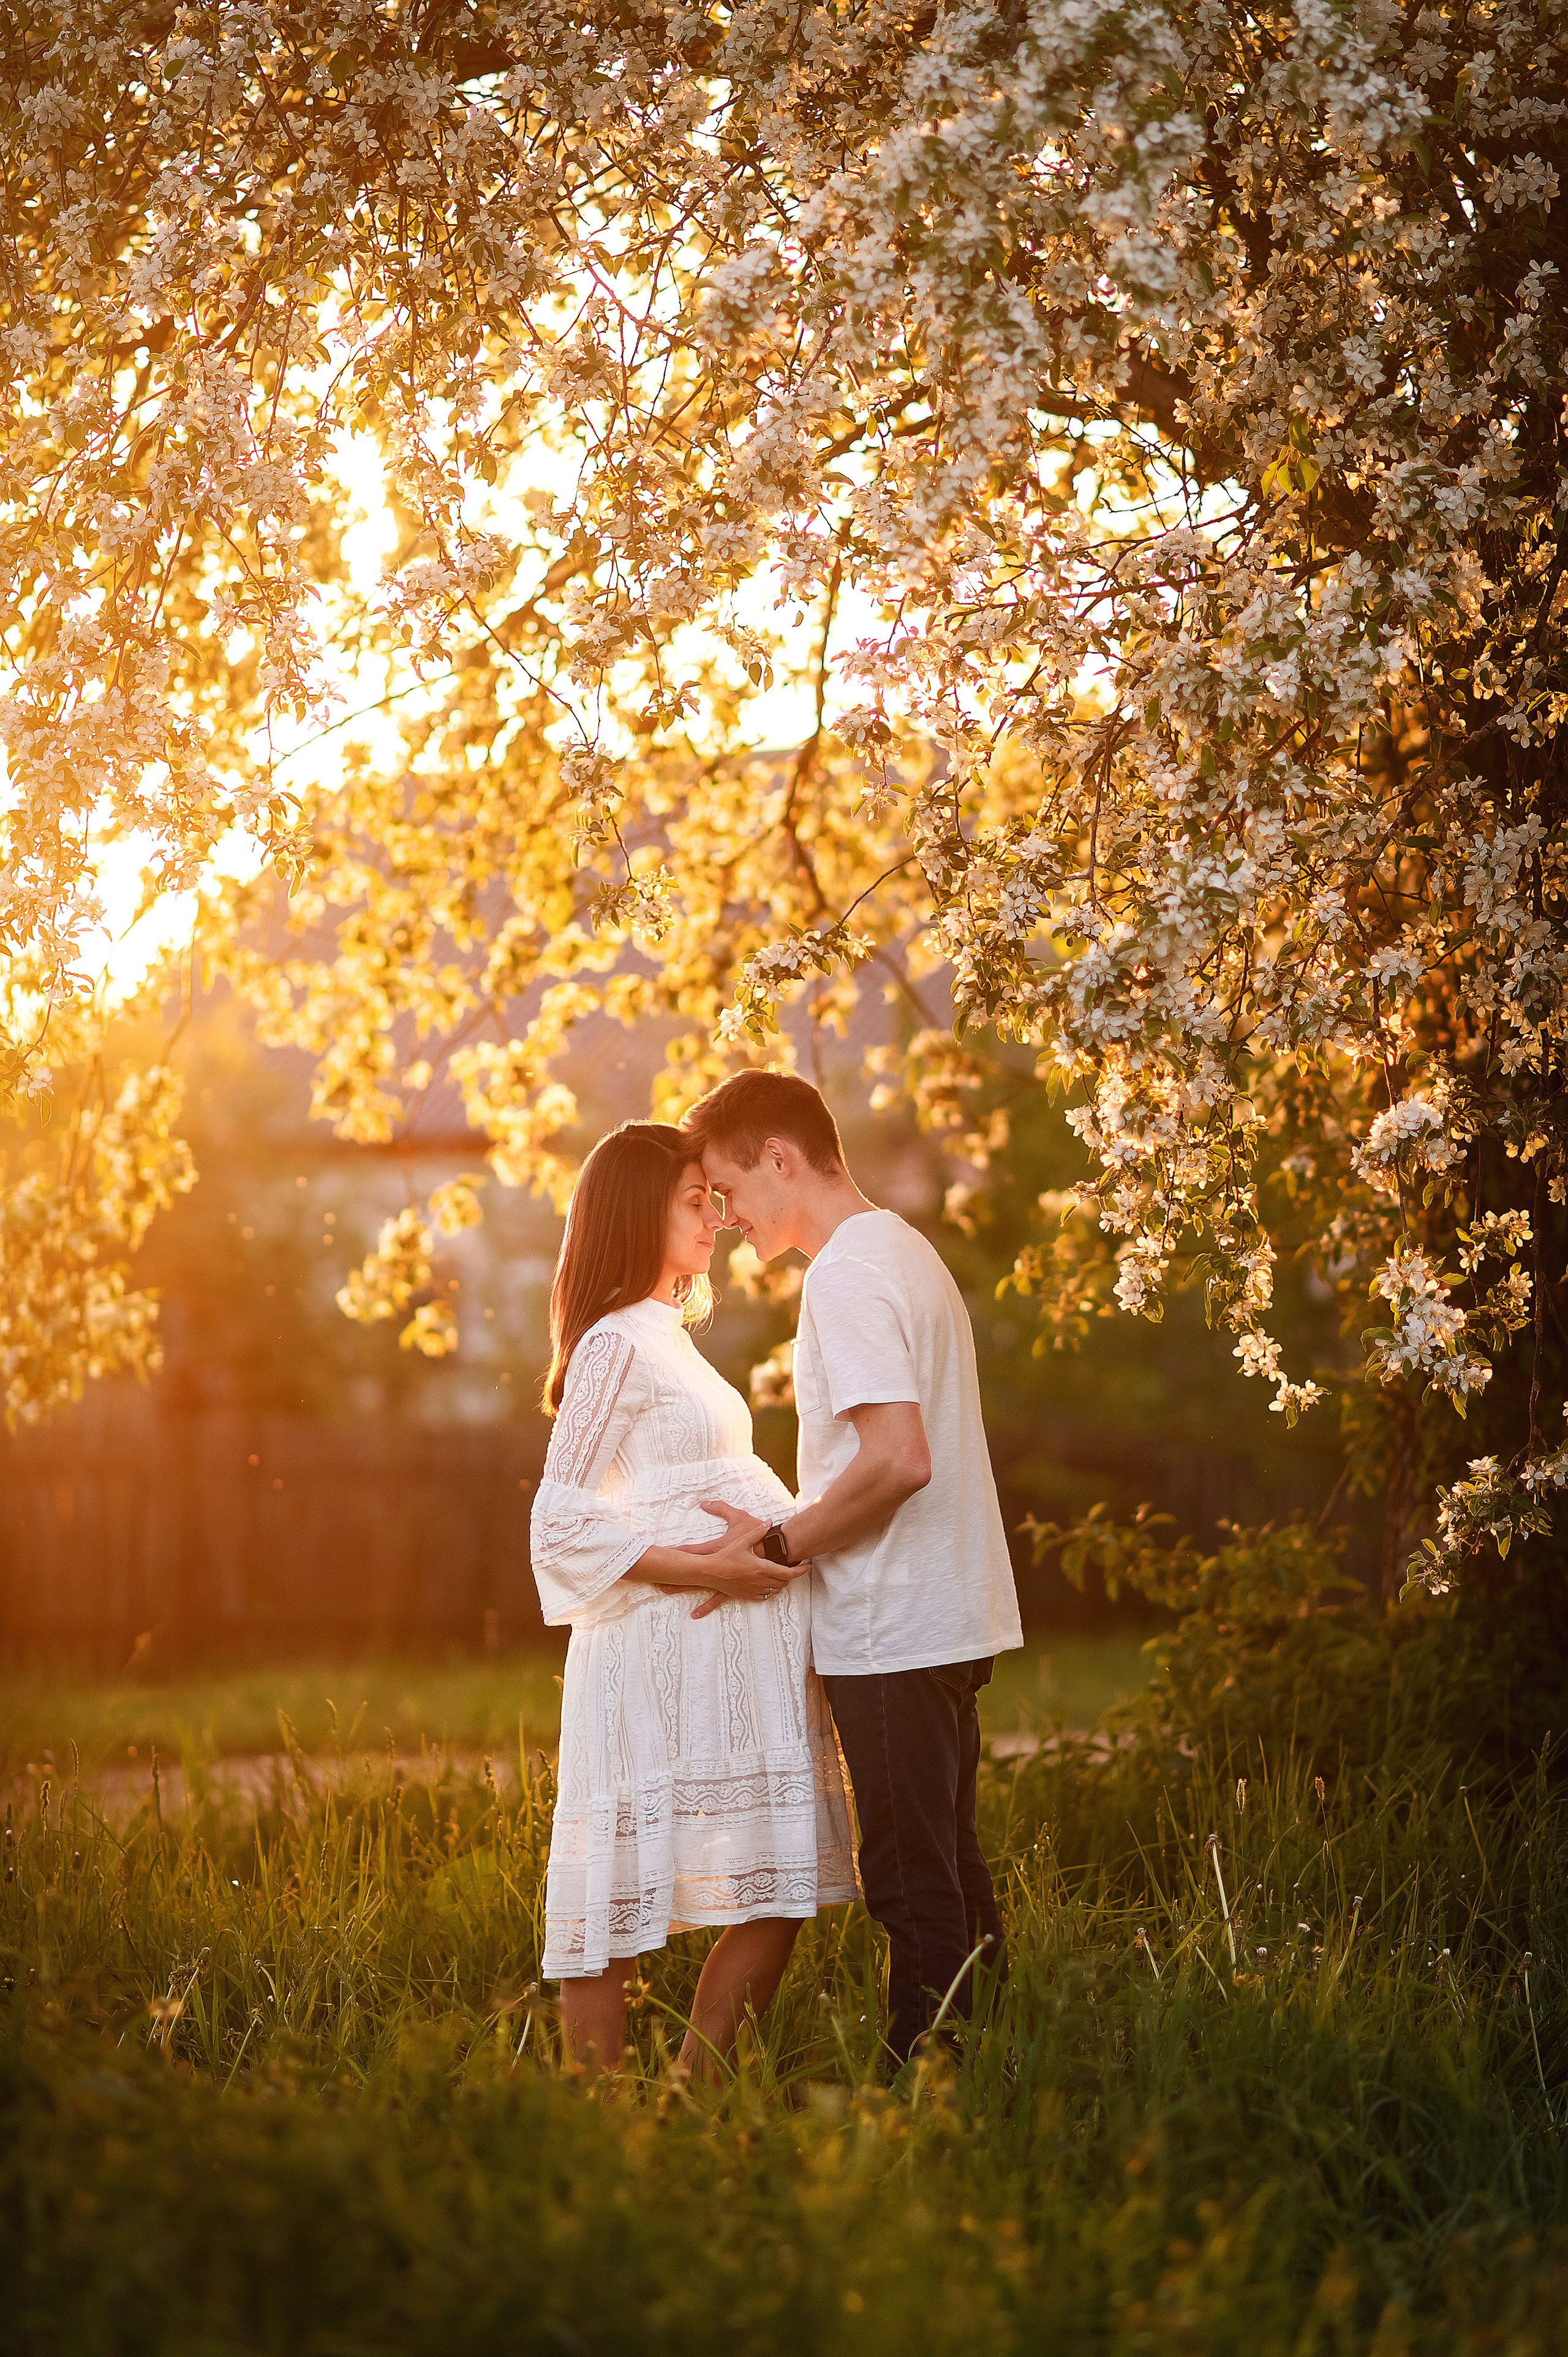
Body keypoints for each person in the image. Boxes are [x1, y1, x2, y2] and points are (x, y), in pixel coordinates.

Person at [681, 1071, 1023, 2070]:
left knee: (912, 1884)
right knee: (949, 1870)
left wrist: (779, 1545)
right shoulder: (904, 1251)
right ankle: (990, 2077)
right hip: (946, 1618)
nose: (727, 1217)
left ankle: (925, 2102)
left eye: (728, 1190)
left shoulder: (845, 1274)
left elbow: (898, 1459)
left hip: (893, 1627)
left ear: (779, 1157)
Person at [530, 1120, 854, 2074]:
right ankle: (604, 2131)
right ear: (637, 1213)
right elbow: (557, 1521)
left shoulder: (665, 1337)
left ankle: (688, 2103)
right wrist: (715, 1568)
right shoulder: (614, 1346)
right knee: (609, 1910)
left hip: (731, 1665)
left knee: (779, 1894)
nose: (715, 1217)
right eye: (692, 1201)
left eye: (715, 1199)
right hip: (659, 1655)